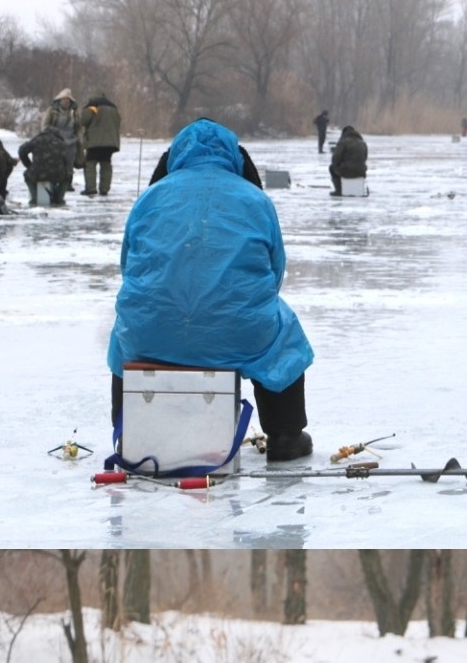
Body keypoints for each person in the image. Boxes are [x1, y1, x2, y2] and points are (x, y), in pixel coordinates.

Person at [108, 119, 314, 462]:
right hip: (239, 331)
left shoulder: (150, 197)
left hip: (152, 332)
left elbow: (129, 267)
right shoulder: (256, 199)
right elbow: (275, 273)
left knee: (125, 332)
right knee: (284, 332)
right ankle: (286, 435)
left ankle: (128, 431)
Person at [80, 90, 121, 196]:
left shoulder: (93, 107)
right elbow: (118, 122)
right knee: (106, 165)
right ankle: (104, 189)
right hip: (111, 142)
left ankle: (91, 189)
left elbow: (83, 121)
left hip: (95, 142)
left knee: (90, 164)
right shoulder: (113, 108)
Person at [17, 126, 70, 206]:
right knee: (67, 177)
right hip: (56, 173)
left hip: (37, 172)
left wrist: (28, 165)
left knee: (27, 176)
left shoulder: (37, 139)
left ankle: (34, 199)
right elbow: (66, 160)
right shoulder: (61, 142)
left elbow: (22, 150)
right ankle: (59, 199)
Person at [42, 88, 82, 189]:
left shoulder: (74, 112)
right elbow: (44, 126)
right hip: (55, 141)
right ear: (60, 99)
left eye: (68, 99)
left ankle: (67, 184)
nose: (66, 101)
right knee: (55, 163)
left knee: (69, 164)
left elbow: (79, 127)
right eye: (64, 98)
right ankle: (55, 183)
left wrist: (80, 139)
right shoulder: (52, 110)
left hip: (71, 141)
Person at [329, 124, 368, 196]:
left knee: (331, 168)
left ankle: (339, 190)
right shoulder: (363, 143)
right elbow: (365, 158)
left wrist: (336, 165)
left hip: (345, 171)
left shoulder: (343, 142)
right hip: (361, 171)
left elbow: (335, 158)